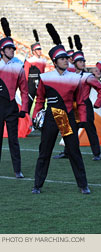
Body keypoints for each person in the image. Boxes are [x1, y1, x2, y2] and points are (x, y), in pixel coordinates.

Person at [31, 23, 90, 194]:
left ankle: (83, 185)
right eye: (63, 59)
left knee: (74, 151)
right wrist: (36, 117)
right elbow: (40, 99)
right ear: (55, 61)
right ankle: (37, 185)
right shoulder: (45, 77)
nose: (66, 60)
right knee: (45, 152)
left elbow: (80, 101)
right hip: (51, 117)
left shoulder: (74, 78)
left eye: (66, 58)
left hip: (68, 117)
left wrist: (83, 120)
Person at [53, 35, 101, 161]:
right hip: (71, 105)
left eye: (84, 61)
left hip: (85, 105)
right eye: (80, 61)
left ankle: (96, 153)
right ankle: (67, 151)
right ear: (75, 63)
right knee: (69, 130)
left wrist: (98, 103)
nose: (83, 63)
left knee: (90, 129)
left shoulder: (88, 76)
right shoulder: (69, 75)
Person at [0, 17, 28, 178]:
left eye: (13, 49)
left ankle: (17, 170)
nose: (13, 51)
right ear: (2, 51)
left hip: (11, 107)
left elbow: (24, 91)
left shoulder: (18, 67)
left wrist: (24, 108)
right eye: (9, 49)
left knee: (13, 141)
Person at [24, 29, 46, 113]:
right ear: (33, 51)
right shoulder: (29, 61)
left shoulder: (43, 61)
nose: (40, 51)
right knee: (28, 104)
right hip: (30, 84)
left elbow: (43, 73)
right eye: (38, 49)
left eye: (40, 49)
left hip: (40, 83)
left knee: (41, 104)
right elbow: (25, 74)